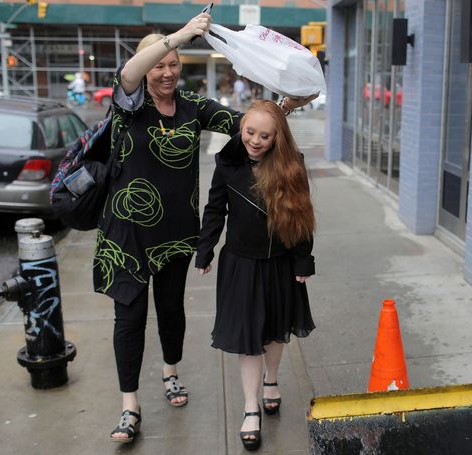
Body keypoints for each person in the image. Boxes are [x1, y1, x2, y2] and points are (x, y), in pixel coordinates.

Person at [98, 12, 316, 443]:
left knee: (172, 311)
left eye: (174, 63)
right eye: (159, 63)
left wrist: (284, 108)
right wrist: (178, 35)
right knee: (130, 319)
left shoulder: (193, 106)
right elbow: (127, 73)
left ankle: (171, 374)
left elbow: (248, 126)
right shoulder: (129, 104)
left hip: (176, 232)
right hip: (126, 235)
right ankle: (129, 406)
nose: (166, 71)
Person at [195, 100, 316, 451]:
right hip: (240, 263)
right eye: (250, 132)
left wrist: (303, 261)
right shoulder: (228, 162)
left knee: (274, 330)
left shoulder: (293, 167)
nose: (256, 140)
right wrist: (205, 250)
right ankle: (251, 408)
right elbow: (215, 209)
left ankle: (272, 380)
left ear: (278, 136)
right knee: (247, 335)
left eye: (265, 135)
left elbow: (302, 218)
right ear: (241, 127)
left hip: (279, 261)